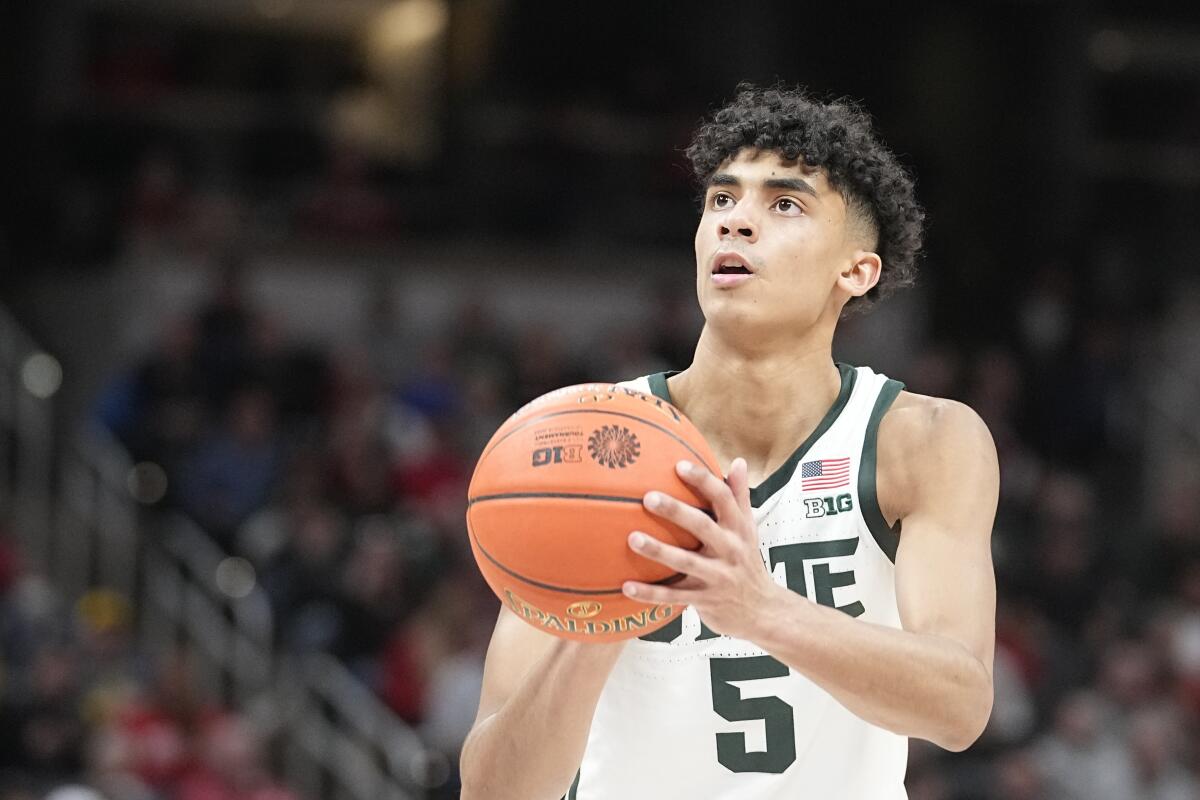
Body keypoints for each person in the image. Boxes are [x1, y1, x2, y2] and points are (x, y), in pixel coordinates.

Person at [459, 84, 999, 800]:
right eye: (721, 200)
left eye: (785, 204)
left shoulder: (922, 441)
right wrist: (599, 623)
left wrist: (757, 607)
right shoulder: (590, 445)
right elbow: (493, 792)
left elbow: (959, 706)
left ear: (856, 270)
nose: (736, 223)